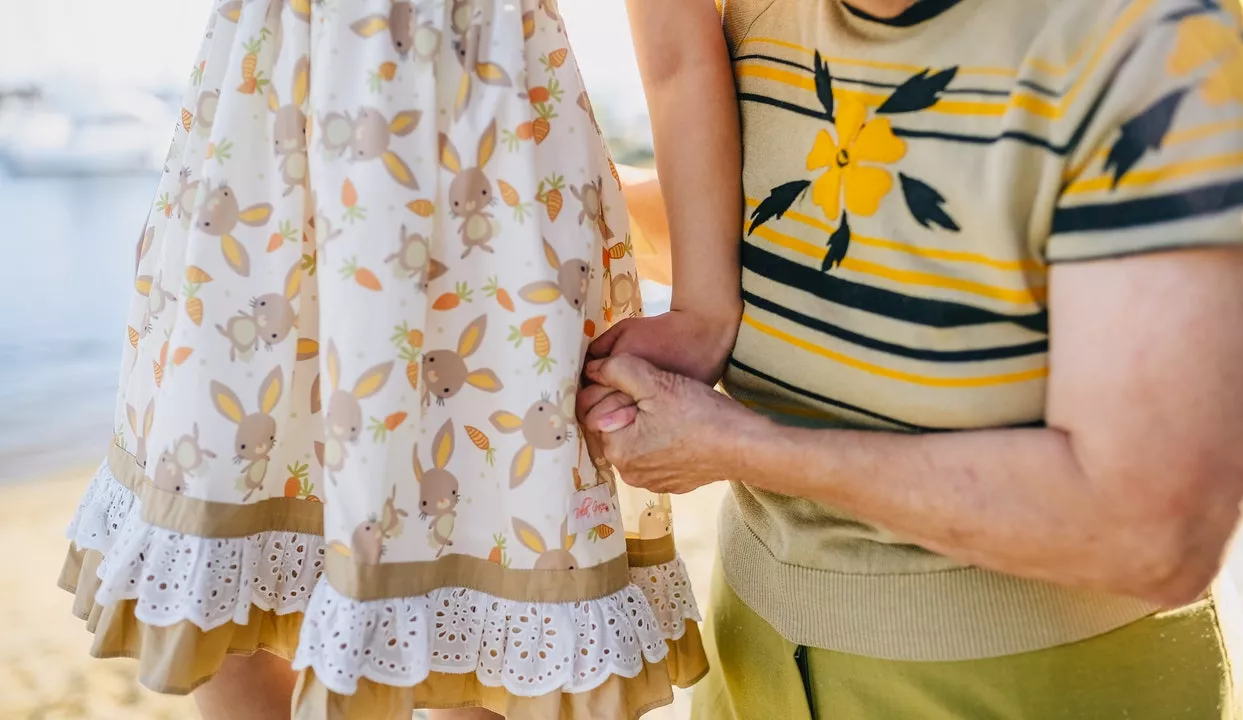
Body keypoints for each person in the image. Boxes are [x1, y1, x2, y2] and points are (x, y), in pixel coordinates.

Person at [582, 0, 1243, 717]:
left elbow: (1157, 533)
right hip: (752, 670)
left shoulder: (1159, 43)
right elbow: (766, 226)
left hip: (1044, 687)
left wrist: (736, 444)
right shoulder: (755, 17)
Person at [56, 0, 742, 717]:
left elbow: (677, 58)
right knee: (229, 555)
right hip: (263, 172)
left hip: (489, 181)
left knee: (488, 564)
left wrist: (702, 306)